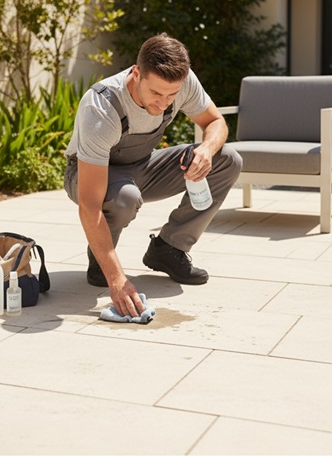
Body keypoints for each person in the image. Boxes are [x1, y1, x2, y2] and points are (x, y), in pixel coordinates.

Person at [64, 33, 242, 317]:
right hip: (88, 174)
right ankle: (101, 261)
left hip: (143, 165)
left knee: (227, 159)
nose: (164, 104)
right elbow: (89, 205)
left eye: (172, 95)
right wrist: (117, 279)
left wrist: (206, 150)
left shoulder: (182, 81)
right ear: (136, 74)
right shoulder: (101, 107)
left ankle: (169, 248)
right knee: (124, 198)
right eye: (156, 94)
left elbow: (215, 121)